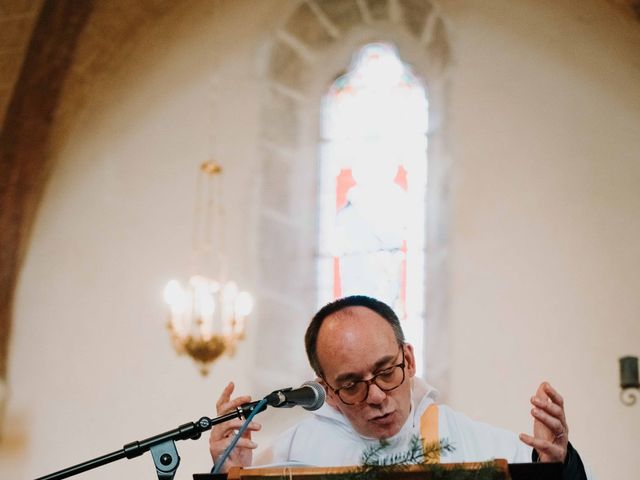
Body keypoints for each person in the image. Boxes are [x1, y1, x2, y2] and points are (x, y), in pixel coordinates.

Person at [209, 295, 591, 479]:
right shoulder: (291, 453)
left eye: (386, 372)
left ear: (408, 359)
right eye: (352, 385)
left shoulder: (471, 440)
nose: (376, 397)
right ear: (326, 389)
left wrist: (555, 469)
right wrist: (232, 479)